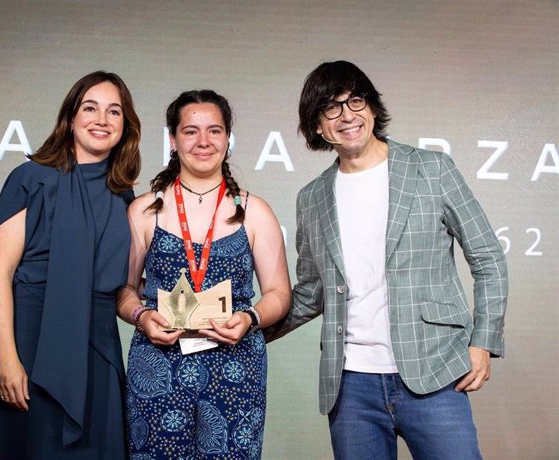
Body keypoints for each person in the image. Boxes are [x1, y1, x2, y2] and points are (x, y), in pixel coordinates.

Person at [265, 61, 508, 459]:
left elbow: (488, 258)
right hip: (350, 387)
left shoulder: (432, 169)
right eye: (331, 108)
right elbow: (311, 293)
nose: (348, 116)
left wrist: (483, 341)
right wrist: (249, 329)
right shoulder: (311, 198)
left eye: (356, 101)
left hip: (434, 373)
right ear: (317, 127)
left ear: (373, 108)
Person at [117, 89, 291, 459]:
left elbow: (278, 292)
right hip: (158, 361)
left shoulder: (254, 210)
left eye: (214, 130)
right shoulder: (144, 210)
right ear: (173, 139)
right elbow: (124, 290)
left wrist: (250, 317)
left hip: (236, 362)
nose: (203, 141)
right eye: (190, 130)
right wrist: (143, 316)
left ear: (228, 139)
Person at [0, 70, 141, 459]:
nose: (102, 120)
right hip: (33, 348)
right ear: (71, 117)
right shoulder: (30, 178)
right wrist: (8, 358)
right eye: (90, 108)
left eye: (114, 112)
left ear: (126, 126)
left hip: (99, 354)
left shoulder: (123, 195)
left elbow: (122, 286)